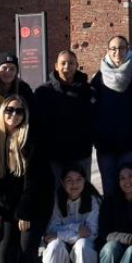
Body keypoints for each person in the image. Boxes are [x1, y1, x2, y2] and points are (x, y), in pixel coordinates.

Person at [0, 95, 53, 263]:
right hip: (9, 208)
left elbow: (34, 182)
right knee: (5, 248)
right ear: (2, 113)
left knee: (27, 245)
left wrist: (24, 213)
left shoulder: (31, 140)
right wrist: (0, 213)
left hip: (33, 205)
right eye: (9, 110)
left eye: (19, 111)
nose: (14, 115)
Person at [38, 166, 102, 263]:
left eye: (79, 179)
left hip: (85, 247)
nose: (74, 184)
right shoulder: (56, 200)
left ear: (85, 181)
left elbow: (91, 232)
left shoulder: (93, 200)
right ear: (62, 182)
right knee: (54, 246)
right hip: (62, 247)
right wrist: (77, 228)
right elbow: (51, 229)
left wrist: (61, 233)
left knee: (82, 245)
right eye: (69, 180)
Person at [90, 35, 132, 199]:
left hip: (129, 144)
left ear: (128, 50)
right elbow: (93, 111)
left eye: (121, 48)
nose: (117, 52)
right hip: (106, 146)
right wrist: (97, 136)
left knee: (130, 191)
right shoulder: (98, 79)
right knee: (110, 191)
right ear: (107, 51)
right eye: (113, 48)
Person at [32, 48, 93, 179]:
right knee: (56, 190)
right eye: (63, 63)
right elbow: (37, 123)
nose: (67, 67)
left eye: (71, 63)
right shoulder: (43, 92)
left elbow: (93, 119)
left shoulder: (87, 90)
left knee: (82, 189)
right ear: (56, 66)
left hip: (80, 153)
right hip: (54, 155)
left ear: (77, 65)